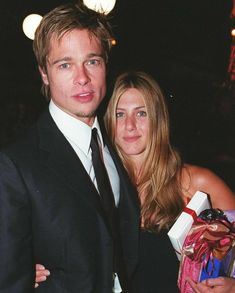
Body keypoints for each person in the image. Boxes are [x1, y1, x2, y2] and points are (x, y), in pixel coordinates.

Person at [35, 71, 235, 292]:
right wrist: (34, 267)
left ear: (158, 119)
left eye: (141, 113)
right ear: (109, 121)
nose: (130, 125)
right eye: (120, 114)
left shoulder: (196, 183)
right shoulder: (94, 184)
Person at [0, 3, 140, 293]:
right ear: (44, 74)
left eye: (92, 61)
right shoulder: (15, 165)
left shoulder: (118, 144)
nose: (82, 78)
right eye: (65, 64)